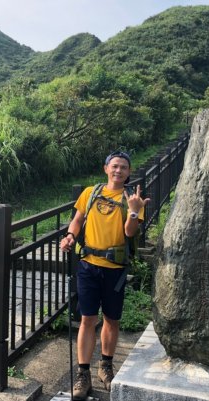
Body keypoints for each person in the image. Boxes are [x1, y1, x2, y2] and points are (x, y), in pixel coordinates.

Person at [60, 150, 149, 400]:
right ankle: (83, 373)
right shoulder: (90, 193)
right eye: (115, 166)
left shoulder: (133, 199)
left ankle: (106, 366)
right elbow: (77, 220)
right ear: (106, 168)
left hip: (115, 269)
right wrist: (69, 236)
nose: (118, 170)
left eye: (123, 167)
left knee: (112, 319)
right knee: (87, 319)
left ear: (129, 172)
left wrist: (133, 211)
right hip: (88, 265)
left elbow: (130, 233)